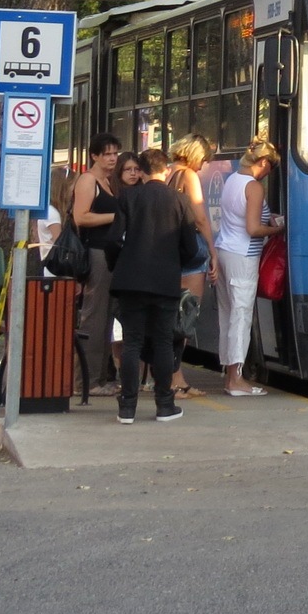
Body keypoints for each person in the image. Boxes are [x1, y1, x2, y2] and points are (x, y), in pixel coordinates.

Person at [109, 165, 195, 424]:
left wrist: (119, 265)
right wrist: (174, 262)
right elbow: (191, 247)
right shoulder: (180, 200)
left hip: (131, 281)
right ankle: (164, 405)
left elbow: (113, 239)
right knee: (163, 342)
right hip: (165, 282)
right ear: (165, 171)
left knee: (132, 342)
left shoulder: (128, 197)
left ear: (143, 173)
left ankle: (127, 407)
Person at [214, 135, 281, 397]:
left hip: (225, 251)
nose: (268, 173)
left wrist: (268, 219)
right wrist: (279, 229)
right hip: (243, 256)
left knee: (227, 315)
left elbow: (240, 217)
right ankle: (236, 380)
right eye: (269, 168)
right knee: (241, 316)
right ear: (263, 162)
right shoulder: (254, 186)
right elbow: (253, 229)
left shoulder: (232, 180)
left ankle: (229, 375)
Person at [157, 140, 216, 400]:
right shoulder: (189, 175)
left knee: (170, 316)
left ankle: (169, 377)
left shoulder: (168, 173)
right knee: (186, 317)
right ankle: (175, 379)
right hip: (191, 250)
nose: (203, 165)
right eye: (203, 159)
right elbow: (200, 218)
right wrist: (213, 251)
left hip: (169, 250)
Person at [70, 135, 123, 394]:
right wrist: (116, 217)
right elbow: (80, 217)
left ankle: (100, 378)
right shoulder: (88, 180)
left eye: (115, 153)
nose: (112, 158)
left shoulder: (109, 182)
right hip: (96, 253)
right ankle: (86, 381)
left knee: (107, 317)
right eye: (107, 154)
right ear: (94, 156)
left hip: (111, 253)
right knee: (95, 315)